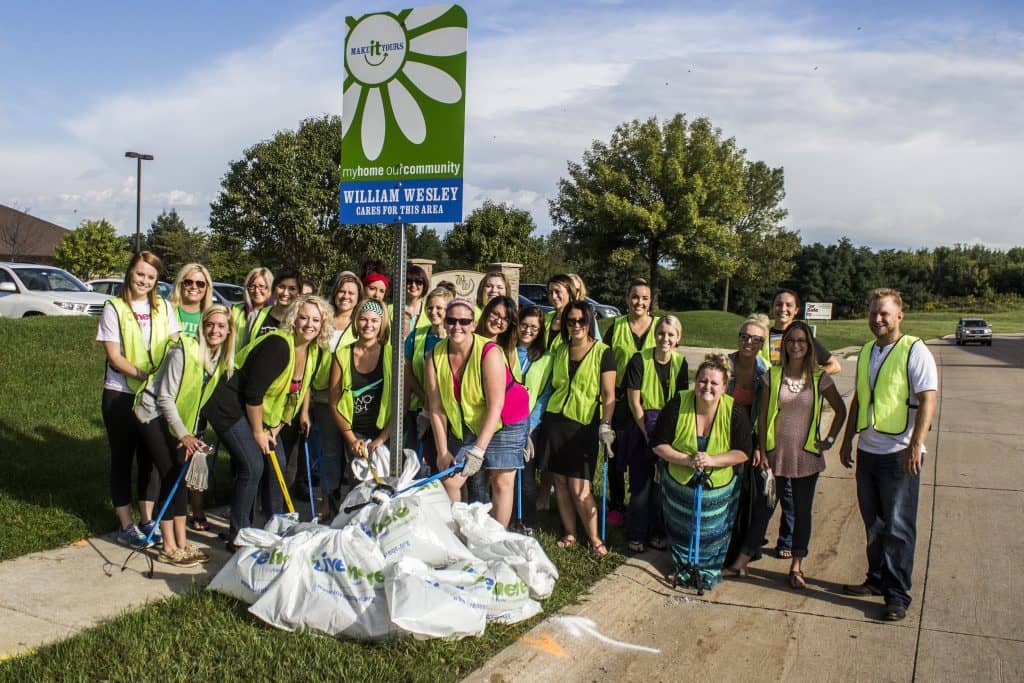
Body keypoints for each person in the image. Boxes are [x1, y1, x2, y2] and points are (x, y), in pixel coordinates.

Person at [839, 288, 937, 622]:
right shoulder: (868, 350)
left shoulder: (914, 350)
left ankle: (897, 595)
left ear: (899, 316)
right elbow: (859, 399)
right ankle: (876, 578)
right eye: (872, 313)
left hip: (900, 455)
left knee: (898, 527)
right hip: (868, 452)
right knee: (874, 523)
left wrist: (916, 445)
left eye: (884, 313)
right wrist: (847, 439)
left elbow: (928, 399)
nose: (877, 319)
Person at [725, 322, 847, 588]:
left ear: (809, 345)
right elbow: (762, 413)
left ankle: (797, 566)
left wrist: (828, 440)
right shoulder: (773, 374)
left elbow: (841, 409)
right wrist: (761, 447)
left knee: (802, 512)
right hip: (775, 456)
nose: (795, 345)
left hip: (806, 457)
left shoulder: (819, 377)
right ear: (784, 345)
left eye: (801, 341)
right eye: (791, 341)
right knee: (764, 509)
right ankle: (740, 564)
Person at [204, 294, 331, 546]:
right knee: (252, 466)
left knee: (277, 465)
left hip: (259, 412)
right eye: (303, 317)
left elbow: (292, 396)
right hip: (229, 406)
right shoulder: (279, 345)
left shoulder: (312, 350)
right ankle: (239, 535)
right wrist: (258, 432)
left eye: (316, 320)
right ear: (293, 319)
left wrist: (275, 427)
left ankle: (274, 527)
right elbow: (253, 394)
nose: (309, 324)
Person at [134, 304, 235, 566]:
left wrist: (193, 434)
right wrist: (184, 435)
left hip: (178, 420)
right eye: (210, 325)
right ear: (202, 327)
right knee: (170, 473)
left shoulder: (219, 359)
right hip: (152, 412)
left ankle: (182, 540)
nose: (215, 330)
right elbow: (165, 397)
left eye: (221, 326)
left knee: (180, 474)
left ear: (229, 331)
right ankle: (168, 545)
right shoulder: (184, 351)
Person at [97, 251, 181, 549]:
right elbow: (114, 355)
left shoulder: (165, 308)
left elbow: (175, 344)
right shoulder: (114, 308)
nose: (144, 281)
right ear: (130, 272)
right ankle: (125, 524)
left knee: (151, 461)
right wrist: (144, 374)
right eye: (140, 274)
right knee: (122, 458)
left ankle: (147, 518)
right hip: (121, 394)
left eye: (151, 277)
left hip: (154, 397)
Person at [425, 297, 529, 527]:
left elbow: (496, 405)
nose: (457, 326)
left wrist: (478, 450)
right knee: (451, 481)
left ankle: (496, 539)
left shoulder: (489, 352)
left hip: (507, 419)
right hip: (471, 421)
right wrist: (442, 451)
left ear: (473, 324)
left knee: (501, 480)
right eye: (451, 320)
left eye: (464, 321)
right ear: (444, 322)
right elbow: (436, 408)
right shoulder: (434, 355)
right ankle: (460, 534)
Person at [651, 354, 752, 589]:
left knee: (712, 533)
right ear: (695, 382)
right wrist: (686, 460)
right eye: (702, 381)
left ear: (724, 387)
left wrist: (712, 460)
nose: (707, 387)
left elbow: (743, 452)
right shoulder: (678, 402)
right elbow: (658, 443)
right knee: (681, 528)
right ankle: (682, 569)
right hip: (680, 480)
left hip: (717, 485)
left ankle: (706, 571)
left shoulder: (734, 410)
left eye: (714, 383)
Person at [535, 300, 616, 556]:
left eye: (581, 320)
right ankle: (569, 532)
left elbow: (608, 394)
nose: (576, 325)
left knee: (580, 488)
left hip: (583, 425)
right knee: (559, 481)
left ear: (590, 321)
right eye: (571, 321)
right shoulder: (559, 350)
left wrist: (605, 424)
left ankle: (594, 539)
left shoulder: (604, 352)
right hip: (555, 421)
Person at [767, 288, 841, 560]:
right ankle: (754, 537)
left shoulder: (804, 338)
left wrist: (806, 377)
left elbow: (834, 365)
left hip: (795, 423)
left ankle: (786, 540)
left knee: (790, 492)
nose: (782, 309)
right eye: (778, 304)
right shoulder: (766, 336)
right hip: (766, 419)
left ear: (796, 309)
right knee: (767, 488)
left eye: (788, 305)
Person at [622, 315, 687, 553]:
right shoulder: (640, 359)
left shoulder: (681, 363)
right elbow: (634, 401)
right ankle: (636, 533)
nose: (665, 339)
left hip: (667, 432)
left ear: (678, 338)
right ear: (655, 334)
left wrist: (667, 437)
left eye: (671, 334)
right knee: (641, 485)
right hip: (642, 428)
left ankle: (658, 532)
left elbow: (681, 401)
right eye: (661, 333)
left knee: (663, 487)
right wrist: (648, 434)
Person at [309, 271, 362, 518]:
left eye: (351, 292)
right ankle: (327, 502)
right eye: (342, 291)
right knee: (329, 454)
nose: (346, 296)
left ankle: (354, 504)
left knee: (353, 454)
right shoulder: (323, 321)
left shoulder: (361, 324)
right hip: (322, 397)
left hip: (351, 399)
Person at [608, 278, 661, 526]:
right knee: (615, 454)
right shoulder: (616, 326)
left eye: (644, 298)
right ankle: (617, 504)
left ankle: (642, 504)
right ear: (627, 299)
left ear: (651, 302)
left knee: (645, 455)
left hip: (649, 404)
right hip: (619, 402)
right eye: (635, 297)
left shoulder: (661, 327)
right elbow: (605, 362)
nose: (639, 302)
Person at [723, 313, 771, 567]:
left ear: (763, 343)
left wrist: (759, 449)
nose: (748, 342)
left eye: (755, 338)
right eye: (744, 336)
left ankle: (742, 544)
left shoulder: (765, 372)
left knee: (746, 492)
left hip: (747, 436)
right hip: (721, 432)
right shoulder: (724, 364)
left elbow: (762, 416)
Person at [329, 299, 393, 479]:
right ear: (356, 322)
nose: (368, 325)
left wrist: (382, 439)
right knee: (359, 485)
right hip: (354, 431)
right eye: (364, 319)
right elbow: (334, 402)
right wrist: (351, 439)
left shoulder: (392, 355)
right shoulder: (342, 355)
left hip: (384, 433)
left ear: (382, 324)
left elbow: (400, 403)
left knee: (386, 484)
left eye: (374, 320)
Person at [512, 305, 554, 532]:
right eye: (524, 325)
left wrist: (529, 426)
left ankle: (528, 521)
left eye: (534, 328)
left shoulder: (547, 358)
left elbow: (544, 394)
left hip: (530, 425)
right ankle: (508, 518)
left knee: (526, 475)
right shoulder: (505, 350)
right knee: (506, 475)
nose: (528, 331)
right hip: (505, 422)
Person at [404, 283, 454, 473]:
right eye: (430, 308)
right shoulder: (416, 336)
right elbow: (407, 371)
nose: (434, 312)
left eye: (439, 308)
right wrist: (426, 397)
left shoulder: (456, 337)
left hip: (450, 412)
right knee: (422, 458)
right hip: (420, 407)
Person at [252, 267, 303, 339]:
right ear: (274, 288)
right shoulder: (256, 316)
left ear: (299, 293)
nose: (285, 293)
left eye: (292, 288)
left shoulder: (302, 320)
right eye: (281, 287)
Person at [232, 267, 274, 351]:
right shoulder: (236, 310)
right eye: (252, 286)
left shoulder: (276, 313)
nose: (256, 290)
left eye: (261, 286)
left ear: (270, 288)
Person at [168, 263, 213, 340]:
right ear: (180, 284)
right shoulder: (166, 311)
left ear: (207, 288)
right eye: (188, 282)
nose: (194, 287)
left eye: (200, 284)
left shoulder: (211, 316)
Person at [404, 264, 430, 337]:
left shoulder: (430, 310)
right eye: (409, 281)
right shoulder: (391, 309)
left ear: (424, 285)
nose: (413, 285)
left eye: (418, 282)